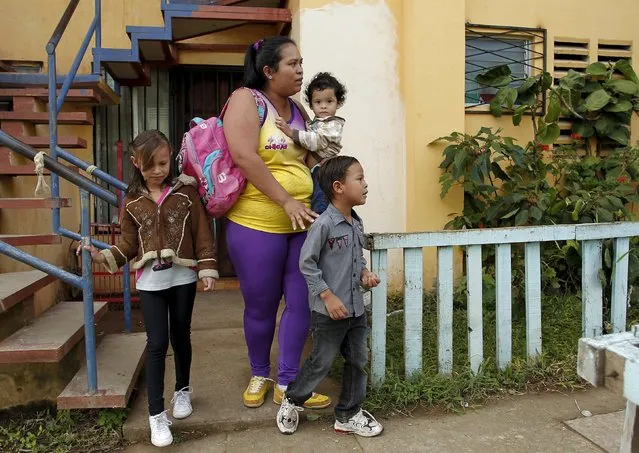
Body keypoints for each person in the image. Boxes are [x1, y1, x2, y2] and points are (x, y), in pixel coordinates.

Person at [81, 130, 218, 448]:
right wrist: (102, 256)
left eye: (164, 163)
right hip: (150, 283)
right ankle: (156, 415)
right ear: (135, 163)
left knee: (180, 336)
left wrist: (208, 267)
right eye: (150, 165)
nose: (159, 170)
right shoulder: (131, 201)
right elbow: (128, 244)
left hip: (183, 278)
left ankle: (182, 390)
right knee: (156, 343)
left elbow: (201, 232)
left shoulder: (186, 192)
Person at [222, 36, 331, 410]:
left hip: (301, 223)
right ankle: (259, 373)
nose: (301, 70)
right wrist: (284, 199)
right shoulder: (246, 100)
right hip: (256, 224)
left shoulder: (297, 108)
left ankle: (287, 381)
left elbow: (306, 158)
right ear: (268, 71)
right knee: (261, 306)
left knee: (301, 301)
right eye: (293, 64)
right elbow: (243, 155)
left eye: (302, 62)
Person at [276, 156, 384, 437]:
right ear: (338, 186)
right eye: (359, 179)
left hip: (356, 310)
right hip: (329, 313)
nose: (365, 184)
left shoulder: (356, 223)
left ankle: (348, 414)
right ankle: (292, 399)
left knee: (358, 361)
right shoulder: (323, 225)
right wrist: (327, 296)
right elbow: (307, 264)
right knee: (320, 363)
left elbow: (356, 259)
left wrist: (364, 275)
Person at [275, 72, 347, 215]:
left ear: (338, 103)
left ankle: (319, 229)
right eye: (318, 102)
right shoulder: (317, 122)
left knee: (321, 205)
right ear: (311, 105)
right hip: (316, 170)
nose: (323, 106)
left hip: (324, 171)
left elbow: (316, 141)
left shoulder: (333, 125)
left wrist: (291, 132)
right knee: (316, 200)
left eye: (329, 101)